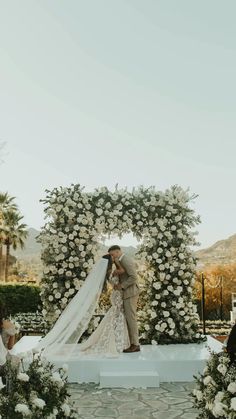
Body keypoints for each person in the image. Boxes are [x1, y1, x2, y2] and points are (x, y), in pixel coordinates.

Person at [79, 254, 130, 356]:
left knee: (116, 315)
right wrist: (118, 261)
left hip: (115, 295)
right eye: (113, 259)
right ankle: (117, 340)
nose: (114, 259)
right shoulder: (114, 271)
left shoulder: (108, 272)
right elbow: (123, 271)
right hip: (117, 295)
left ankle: (116, 338)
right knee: (118, 314)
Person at [108, 245, 140, 353]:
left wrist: (122, 286)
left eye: (112, 254)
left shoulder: (125, 260)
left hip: (131, 293)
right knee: (129, 318)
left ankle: (135, 344)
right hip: (127, 293)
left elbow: (134, 277)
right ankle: (131, 342)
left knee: (131, 318)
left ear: (117, 252)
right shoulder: (120, 261)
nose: (112, 257)